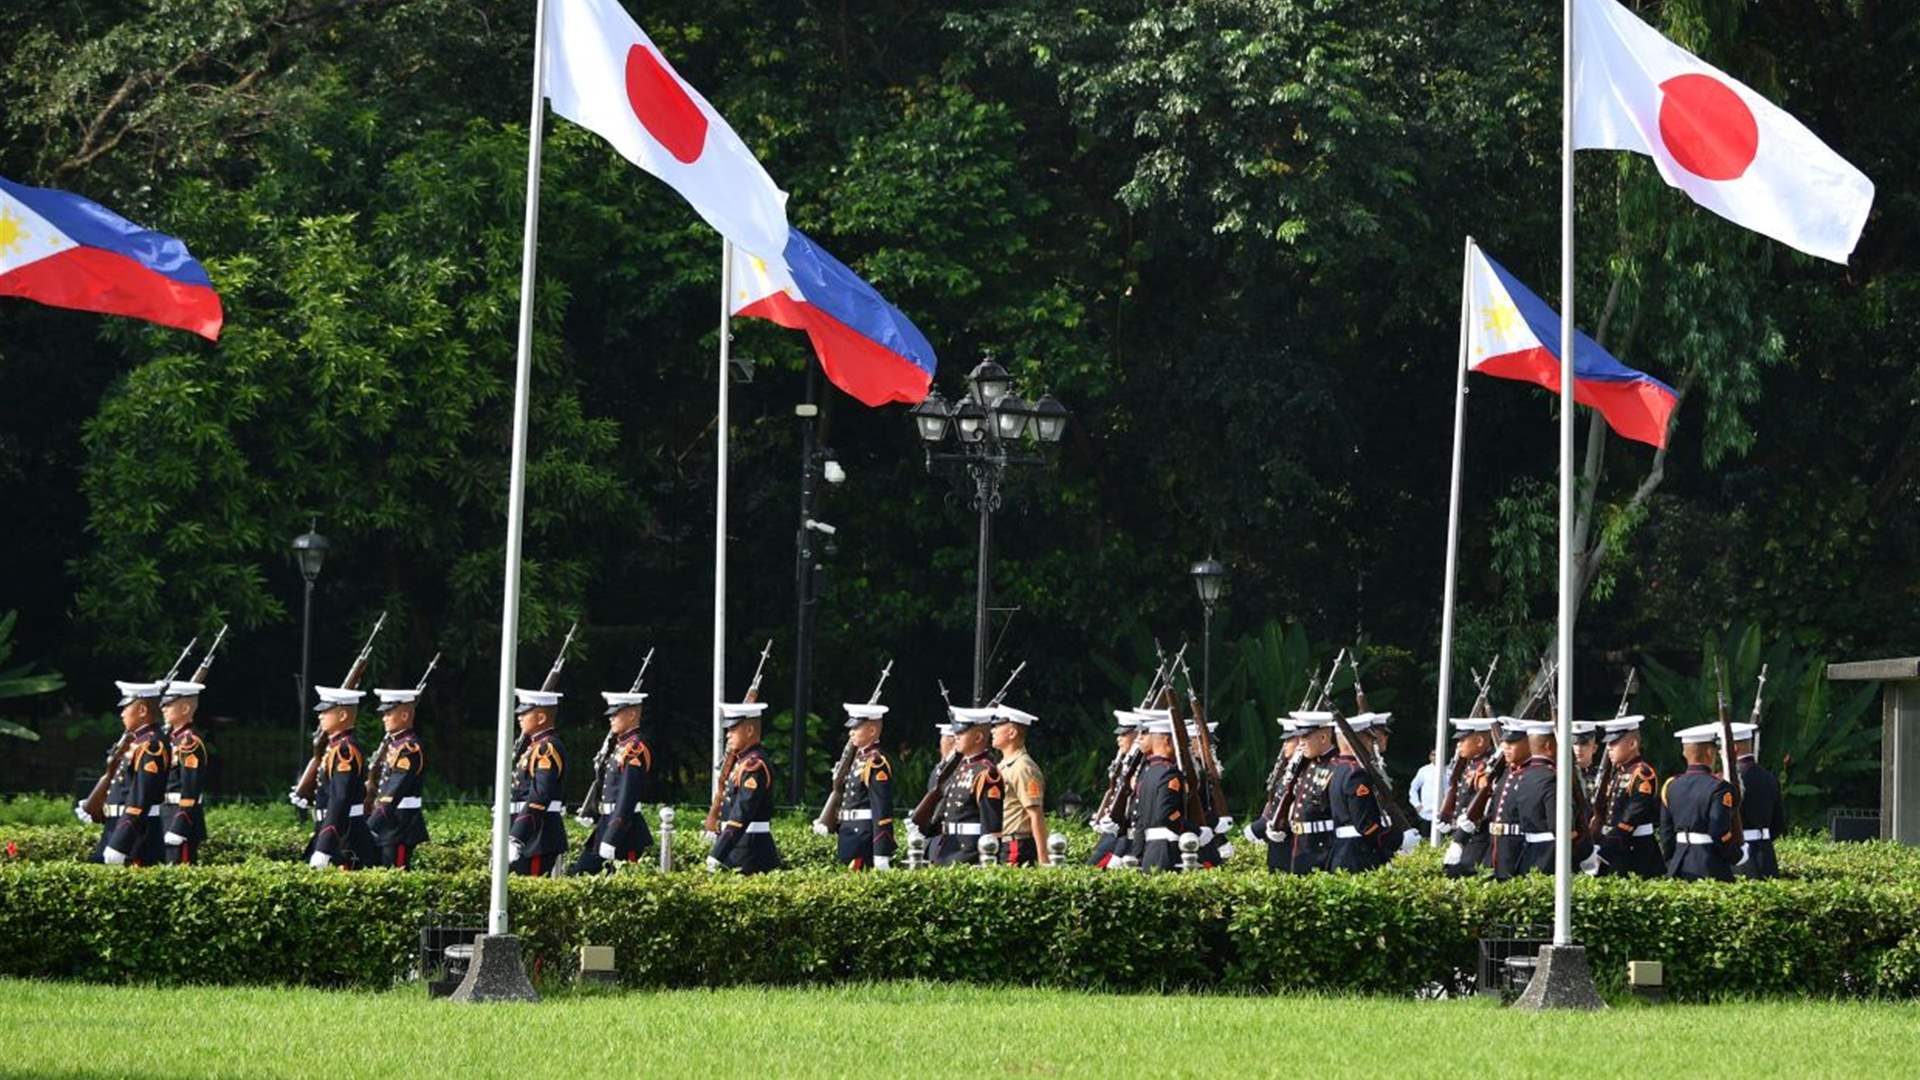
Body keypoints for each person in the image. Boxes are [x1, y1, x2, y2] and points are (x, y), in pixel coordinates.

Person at [572, 690, 653, 874]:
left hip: (625, 830)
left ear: (632, 714)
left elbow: (626, 798)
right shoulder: (619, 746)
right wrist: (592, 810)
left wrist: (613, 836)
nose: (611, 719)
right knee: (580, 873)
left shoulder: (635, 748)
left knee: (622, 887)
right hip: (606, 823)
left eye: (616, 714)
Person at [91, 680, 169, 867]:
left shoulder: (151, 745)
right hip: (119, 828)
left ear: (142, 710)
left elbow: (140, 798)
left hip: (136, 837)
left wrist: (120, 843)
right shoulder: (138, 742)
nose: (122, 713)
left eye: (126, 707)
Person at [304, 686, 376, 870]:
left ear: (343, 715)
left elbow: (339, 800)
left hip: (344, 837)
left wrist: (324, 847)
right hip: (336, 832)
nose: (320, 715)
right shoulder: (334, 748)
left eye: (326, 711)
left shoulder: (345, 751)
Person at [1660, 723, 1741, 881]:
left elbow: (1666, 832)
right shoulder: (1719, 787)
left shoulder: (1671, 785)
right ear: (1710, 753)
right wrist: (1735, 855)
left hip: (1678, 863)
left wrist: (1672, 860)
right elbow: (1719, 830)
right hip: (1709, 863)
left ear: (1685, 753)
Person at [708, 700, 781, 874]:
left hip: (750, 852)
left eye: (733, 729)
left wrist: (717, 852)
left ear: (749, 730)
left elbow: (741, 813)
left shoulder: (754, 766)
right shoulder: (741, 762)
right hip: (738, 848)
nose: (728, 735)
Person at [1328, 715, 1409, 872]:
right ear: (1357, 741)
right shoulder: (1356, 774)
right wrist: (1398, 840)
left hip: (1343, 851)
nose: (1372, 744)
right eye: (1368, 739)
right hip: (1358, 855)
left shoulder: (1338, 769)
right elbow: (1366, 826)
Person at [1510, 719, 1590, 874]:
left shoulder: (1523, 776)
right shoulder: (1553, 777)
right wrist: (1585, 848)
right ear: (1549, 746)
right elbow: (1560, 826)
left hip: (1529, 854)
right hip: (1550, 856)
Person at [1586, 716, 1663, 877]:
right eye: (1608, 743)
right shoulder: (1618, 773)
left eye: (1614, 743)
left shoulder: (1642, 773)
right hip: (1617, 846)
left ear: (1633, 744)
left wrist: (1606, 848)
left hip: (1635, 850)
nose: (1608, 748)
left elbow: (1633, 815)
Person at [365, 687, 430, 870]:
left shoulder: (409, 749)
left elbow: (392, 794)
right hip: (389, 825)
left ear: (404, 716)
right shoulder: (395, 745)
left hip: (400, 826)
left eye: (389, 713)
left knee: (396, 875)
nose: (384, 718)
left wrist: (370, 826)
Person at [825, 702, 895, 870]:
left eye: (856, 728)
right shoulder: (857, 759)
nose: (851, 733)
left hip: (862, 836)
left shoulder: (876, 763)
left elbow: (881, 808)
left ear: (871, 731)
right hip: (849, 834)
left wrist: (881, 851)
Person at [929, 707, 1002, 866]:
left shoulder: (986, 773)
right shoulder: (961, 767)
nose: (956, 736)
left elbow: (991, 824)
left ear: (978, 737)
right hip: (947, 847)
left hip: (969, 852)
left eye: (962, 732)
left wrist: (987, 859)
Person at [507, 688, 568, 876]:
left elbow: (540, 795)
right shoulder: (534, 746)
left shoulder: (546, 748)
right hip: (528, 833)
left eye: (525, 712)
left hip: (536, 836)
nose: (520, 716)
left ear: (541, 718)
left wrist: (518, 837)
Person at [1127, 710, 1189, 872]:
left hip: (1149, 850)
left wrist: (1137, 854)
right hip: (1166, 849)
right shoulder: (1170, 773)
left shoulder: (1145, 774)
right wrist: (1192, 827)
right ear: (1168, 741)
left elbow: (1139, 817)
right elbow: (1166, 814)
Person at [1281, 711, 1340, 874]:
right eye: (1299, 738)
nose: (1300, 743)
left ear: (1323, 738)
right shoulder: (1307, 765)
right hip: (1300, 846)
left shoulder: (1335, 767)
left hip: (1322, 848)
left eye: (1305, 737)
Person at [991, 705, 1050, 865]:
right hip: (1002, 844)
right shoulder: (1004, 765)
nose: (992, 731)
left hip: (1016, 846)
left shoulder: (1023, 767)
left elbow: (1035, 814)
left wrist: (1044, 859)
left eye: (998, 726)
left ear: (1012, 733)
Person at [159, 679, 208, 865]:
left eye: (169, 704)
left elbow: (191, 789)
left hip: (179, 819)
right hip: (164, 814)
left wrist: (180, 824)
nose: (163, 709)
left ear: (186, 708)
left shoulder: (189, 743)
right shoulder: (172, 741)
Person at [1440, 717, 1495, 878]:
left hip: (1477, 838)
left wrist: (1460, 839)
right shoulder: (1469, 765)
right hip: (1465, 836)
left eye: (1463, 740)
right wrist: (1447, 817)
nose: (1458, 745)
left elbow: (1482, 806)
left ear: (1479, 741)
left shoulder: (1486, 768)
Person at [1245, 717, 1301, 873]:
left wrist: (1258, 828)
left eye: (1289, 740)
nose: (1285, 746)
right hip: (1278, 846)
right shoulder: (1287, 771)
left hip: (1289, 844)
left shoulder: (1300, 773)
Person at [1732, 722, 1784, 879]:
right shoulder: (1769, 777)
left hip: (1739, 853)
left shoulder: (1728, 779)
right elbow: (1779, 822)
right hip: (1765, 852)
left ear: (1733, 748)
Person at [1089, 710, 1139, 868]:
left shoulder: (1137, 764)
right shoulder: (1124, 761)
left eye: (1124, 735)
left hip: (1125, 834)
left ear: (1136, 735)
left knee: (1095, 868)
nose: (1119, 739)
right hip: (1115, 831)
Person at [1487, 719, 1535, 880]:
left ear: (1529, 743)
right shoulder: (1506, 772)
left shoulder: (1533, 774)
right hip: (1497, 847)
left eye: (1512, 742)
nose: (1505, 747)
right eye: (1504, 742)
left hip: (1519, 848)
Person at [921, 719, 956, 864]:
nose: (942, 742)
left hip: (944, 832)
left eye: (945, 738)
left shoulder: (956, 768)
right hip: (934, 833)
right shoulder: (939, 768)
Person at [1409, 748, 1442, 834]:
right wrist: (1416, 804)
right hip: (1426, 814)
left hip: (1442, 814)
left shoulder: (1448, 770)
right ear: (1430, 757)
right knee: (1425, 840)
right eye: (1433, 754)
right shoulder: (1424, 771)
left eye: (1437, 754)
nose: (1435, 757)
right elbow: (1413, 788)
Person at [1572, 721, 1602, 798]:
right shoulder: (1562, 776)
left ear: (1594, 748)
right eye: (1574, 743)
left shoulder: (1601, 774)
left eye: (1584, 744)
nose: (1578, 749)